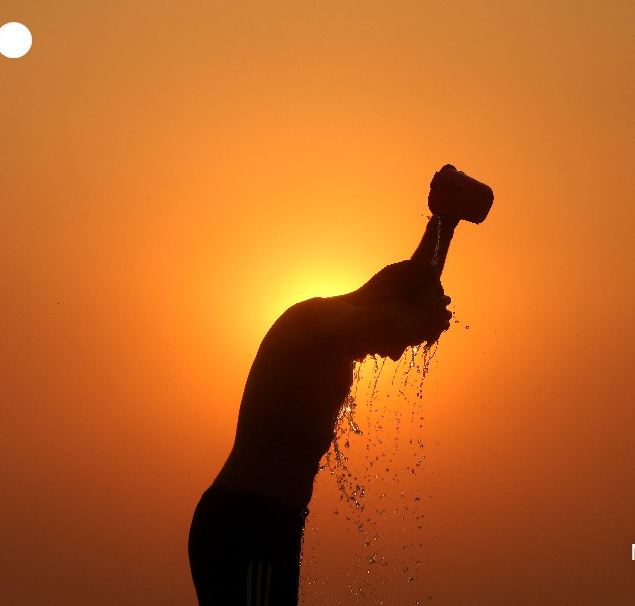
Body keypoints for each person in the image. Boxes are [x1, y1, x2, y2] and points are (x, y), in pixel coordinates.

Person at [189, 258, 452, 605]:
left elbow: (416, 273)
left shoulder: (336, 341)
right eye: (396, 339)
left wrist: (445, 221)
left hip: (271, 523)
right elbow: (387, 315)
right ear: (383, 300)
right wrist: (424, 318)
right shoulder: (314, 320)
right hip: (248, 523)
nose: (393, 352)